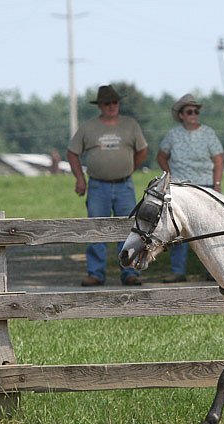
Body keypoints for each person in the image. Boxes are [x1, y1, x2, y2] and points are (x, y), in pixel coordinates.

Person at [67, 85, 148, 287]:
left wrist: (129, 168)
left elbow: (142, 151)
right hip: (97, 186)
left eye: (115, 102)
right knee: (96, 228)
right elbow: (72, 152)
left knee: (128, 228)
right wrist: (79, 178)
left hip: (124, 185)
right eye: (107, 103)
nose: (112, 106)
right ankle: (95, 273)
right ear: (100, 106)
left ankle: (130, 272)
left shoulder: (130, 125)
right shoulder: (88, 127)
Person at [156, 93, 224, 283]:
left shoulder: (208, 133)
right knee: (178, 229)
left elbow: (218, 159)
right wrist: (170, 176)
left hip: (204, 186)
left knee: (208, 230)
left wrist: (217, 185)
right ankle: (178, 271)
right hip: (181, 188)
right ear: (181, 115)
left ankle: (213, 271)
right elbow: (161, 156)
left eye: (196, 111)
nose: (194, 114)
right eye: (189, 111)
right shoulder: (173, 135)